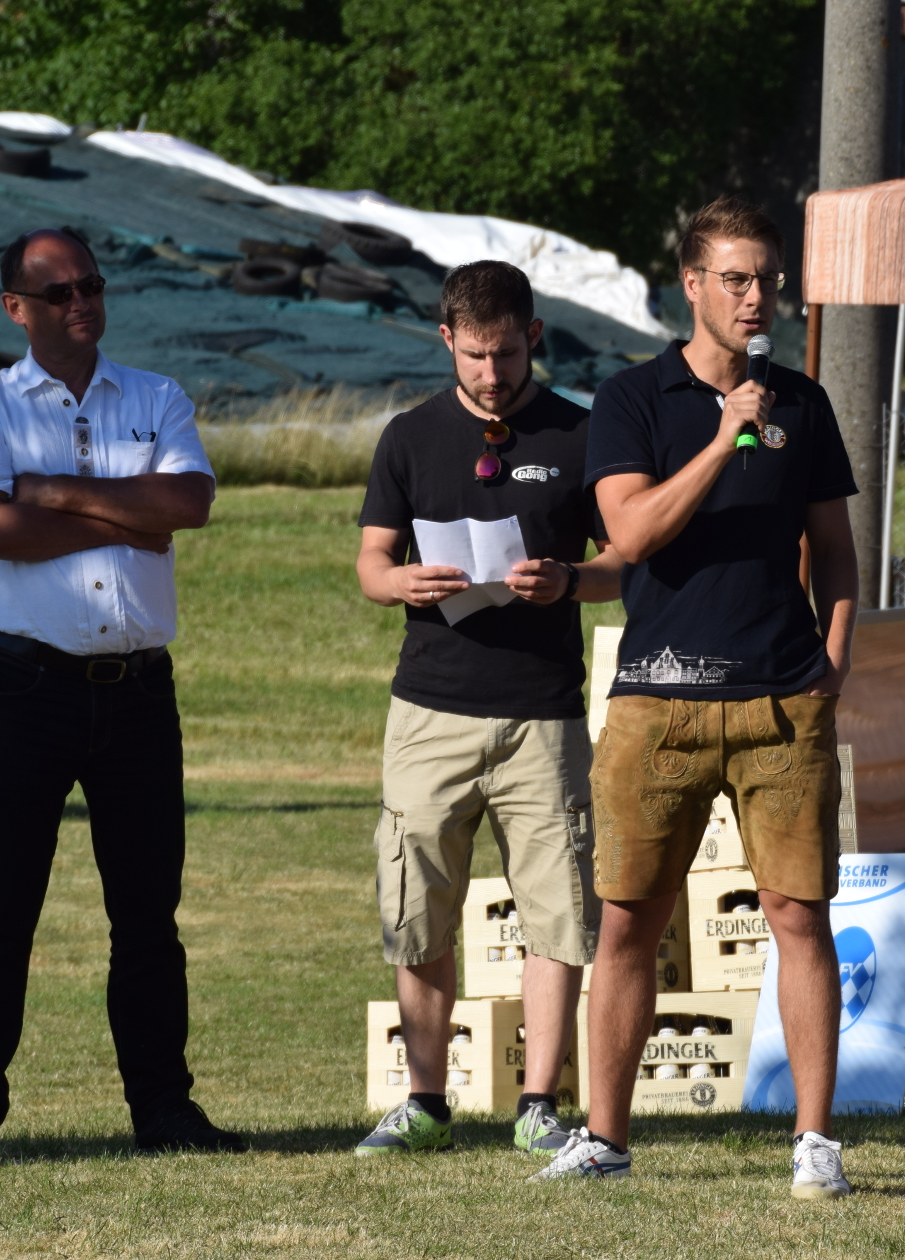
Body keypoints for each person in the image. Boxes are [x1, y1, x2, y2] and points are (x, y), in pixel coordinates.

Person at [531, 197, 859, 1196]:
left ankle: (813, 1144)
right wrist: (723, 441)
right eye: (737, 278)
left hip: (781, 705)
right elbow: (629, 538)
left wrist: (830, 676)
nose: (759, 296)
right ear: (692, 286)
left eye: (768, 278)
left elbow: (838, 561)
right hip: (655, 707)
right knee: (628, 922)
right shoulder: (633, 400)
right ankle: (605, 1137)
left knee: (798, 916)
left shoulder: (802, 403)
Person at [0, 227, 242, 1160]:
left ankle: (163, 1110)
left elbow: (186, 509)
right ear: (15, 307)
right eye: (58, 291)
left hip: (139, 694)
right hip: (26, 689)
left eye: (92, 285)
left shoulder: (156, 396)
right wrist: (121, 512)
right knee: (0, 913)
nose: (82, 303)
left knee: (148, 917)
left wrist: (57, 495)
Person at [353, 260, 625, 1157]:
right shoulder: (408, 437)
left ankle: (539, 1105)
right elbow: (369, 564)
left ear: (533, 337)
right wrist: (403, 584)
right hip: (429, 709)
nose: (491, 372)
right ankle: (425, 1100)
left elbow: (628, 559)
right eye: (474, 355)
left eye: (506, 353)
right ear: (446, 342)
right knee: (417, 905)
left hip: (542, 718)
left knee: (556, 911)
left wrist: (569, 579)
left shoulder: (582, 435)